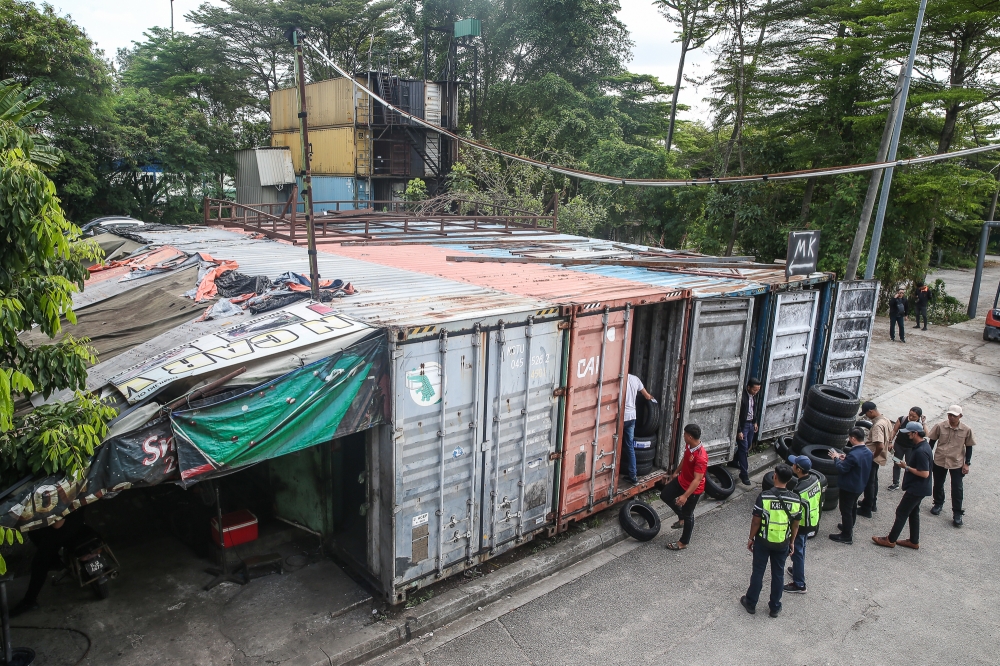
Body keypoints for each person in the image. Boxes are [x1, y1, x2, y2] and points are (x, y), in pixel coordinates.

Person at [740, 464, 802, 618]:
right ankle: (774, 607)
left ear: (775, 476)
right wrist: (792, 542)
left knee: (758, 572)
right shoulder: (795, 500)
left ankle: (751, 603)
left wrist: (750, 538)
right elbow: (795, 524)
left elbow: (756, 521)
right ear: (789, 480)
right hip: (782, 543)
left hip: (763, 541)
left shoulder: (765, 496)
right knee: (778, 574)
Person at [11, 509, 92, 616]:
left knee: (40, 562)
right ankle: (56, 561)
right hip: (78, 521)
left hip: (63, 528)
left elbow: (57, 525)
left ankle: (29, 601)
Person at [873, 421, 933, 549]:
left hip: (916, 488)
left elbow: (924, 473)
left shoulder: (921, 451)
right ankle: (913, 540)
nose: (907, 436)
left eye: (909, 434)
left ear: (915, 433)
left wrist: (906, 467)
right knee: (913, 512)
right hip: (920, 488)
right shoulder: (923, 446)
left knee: (901, 512)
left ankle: (890, 540)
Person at [927, 405, 977, 527]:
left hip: (957, 462)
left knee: (957, 488)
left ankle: (957, 513)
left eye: (954, 415)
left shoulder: (966, 430)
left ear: (960, 416)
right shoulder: (940, 426)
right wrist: (927, 458)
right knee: (938, 483)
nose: (951, 417)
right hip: (940, 460)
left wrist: (967, 463)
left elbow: (969, 446)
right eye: (949, 415)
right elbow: (931, 442)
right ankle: (938, 503)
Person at [660, 423, 707, 551]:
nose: (683, 436)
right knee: (665, 495)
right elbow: (685, 459)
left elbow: (697, 480)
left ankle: (683, 542)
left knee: (688, 515)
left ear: (690, 437)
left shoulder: (701, 457)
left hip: (692, 489)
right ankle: (681, 517)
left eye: (685, 434)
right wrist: (676, 472)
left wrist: (685, 496)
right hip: (681, 480)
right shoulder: (689, 445)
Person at [784, 455, 822, 594]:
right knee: (802, 547)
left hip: (802, 525)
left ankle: (799, 584)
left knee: (797, 550)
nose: (792, 465)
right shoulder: (815, 479)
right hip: (813, 520)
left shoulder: (798, 490)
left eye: (794, 464)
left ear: (798, 469)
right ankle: (796, 569)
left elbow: (794, 514)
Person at [827, 428, 872, 544]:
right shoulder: (867, 451)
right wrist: (845, 458)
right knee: (852, 507)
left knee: (845, 509)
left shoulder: (854, 454)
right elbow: (856, 463)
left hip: (849, 486)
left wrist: (836, 458)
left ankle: (846, 536)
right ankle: (849, 526)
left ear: (853, 438)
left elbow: (841, 469)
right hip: (860, 485)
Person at [858, 401, 893, 517]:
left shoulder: (878, 425)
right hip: (879, 456)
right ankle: (872, 503)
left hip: (873, 457)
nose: (866, 416)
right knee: (874, 481)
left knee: (869, 483)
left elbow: (880, 445)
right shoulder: (886, 420)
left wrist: (871, 457)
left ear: (871, 411)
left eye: (867, 413)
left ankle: (866, 509)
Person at [622, 373, 657, 484]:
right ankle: (633, 477)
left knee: (614, 444)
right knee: (630, 447)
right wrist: (653, 400)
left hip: (621, 417)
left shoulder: (619, 378)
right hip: (632, 417)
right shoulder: (635, 379)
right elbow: (647, 396)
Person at [888, 407, 925, 491]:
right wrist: (890, 442)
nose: (911, 417)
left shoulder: (920, 424)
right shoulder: (902, 419)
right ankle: (895, 483)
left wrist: (924, 423)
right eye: (910, 415)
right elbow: (894, 430)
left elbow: (926, 433)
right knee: (897, 462)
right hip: (899, 445)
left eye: (914, 416)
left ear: (919, 417)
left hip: (911, 448)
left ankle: (907, 483)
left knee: (909, 466)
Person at [735, 378, 762, 486]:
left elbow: (753, 409)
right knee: (743, 448)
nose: (756, 392)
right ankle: (744, 474)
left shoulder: (753, 396)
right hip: (744, 425)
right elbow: (737, 415)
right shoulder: (742, 397)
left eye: (758, 390)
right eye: (754, 390)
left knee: (748, 445)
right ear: (748, 387)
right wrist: (739, 430)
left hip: (751, 423)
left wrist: (755, 422)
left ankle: (734, 460)